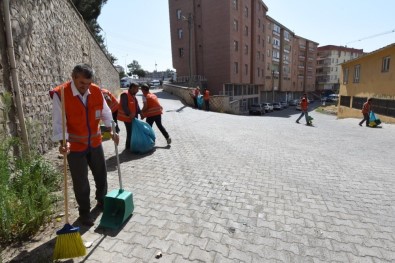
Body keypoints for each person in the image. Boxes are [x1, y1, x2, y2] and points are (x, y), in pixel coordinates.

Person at [51, 63, 119, 226]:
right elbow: (59, 123)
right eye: (82, 83)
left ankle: (102, 201)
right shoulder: (61, 94)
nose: (85, 87)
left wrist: (112, 130)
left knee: (101, 175)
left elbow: (105, 112)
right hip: (75, 147)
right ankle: (84, 212)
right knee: (81, 182)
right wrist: (63, 143)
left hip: (95, 143)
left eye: (88, 83)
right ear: (73, 78)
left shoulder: (95, 91)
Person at [117, 82, 141, 150]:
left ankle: (131, 146)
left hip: (133, 118)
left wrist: (140, 112)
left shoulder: (133, 95)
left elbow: (136, 106)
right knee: (130, 132)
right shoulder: (125, 94)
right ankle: (128, 147)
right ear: (132, 88)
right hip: (127, 118)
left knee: (132, 132)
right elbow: (124, 106)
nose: (138, 91)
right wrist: (129, 114)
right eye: (136, 89)